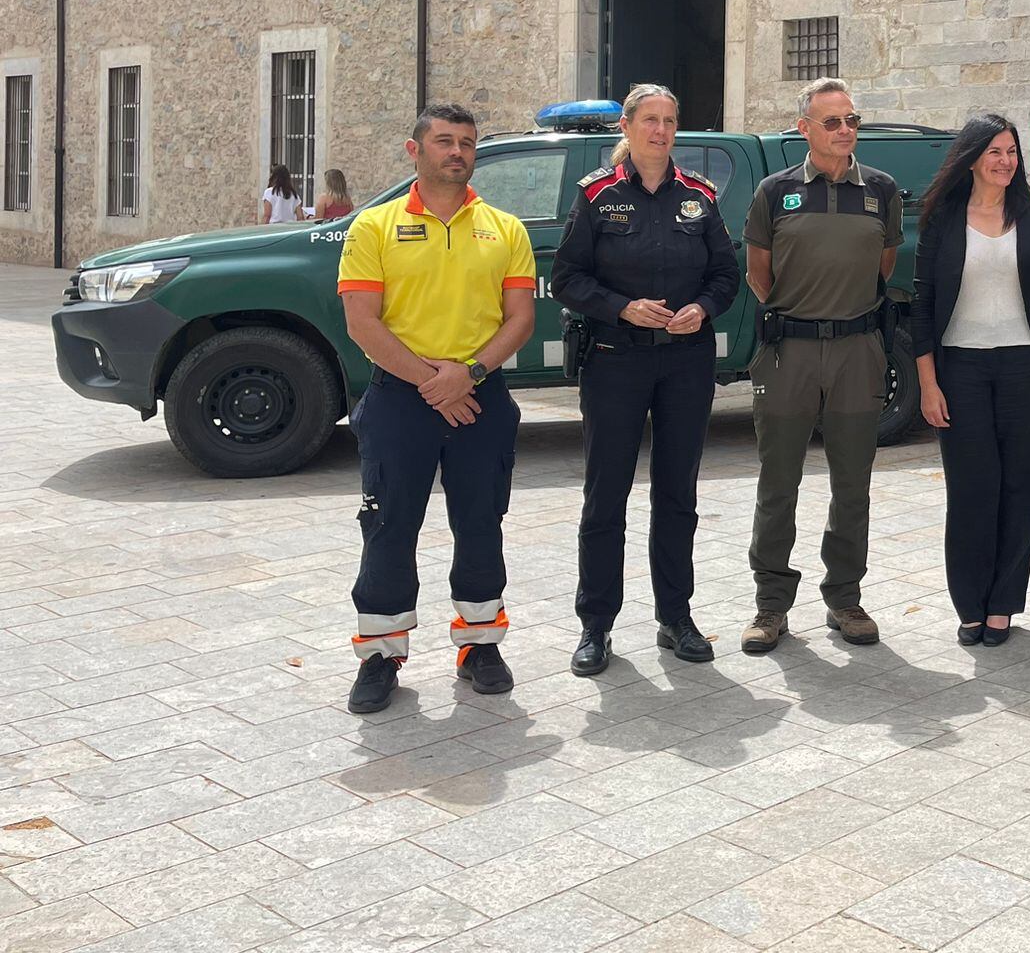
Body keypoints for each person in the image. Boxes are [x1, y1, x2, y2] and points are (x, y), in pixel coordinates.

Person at [337, 104, 537, 714]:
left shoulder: (504, 229)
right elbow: (361, 322)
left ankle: (479, 646)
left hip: (481, 396)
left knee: (481, 522)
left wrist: (468, 375)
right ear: (414, 150)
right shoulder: (373, 226)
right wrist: (432, 381)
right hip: (402, 399)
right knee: (390, 526)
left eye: (467, 143)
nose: (457, 152)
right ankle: (380, 654)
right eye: (444, 141)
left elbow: (521, 319)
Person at [552, 84, 740, 676]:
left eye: (669, 121)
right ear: (627, 129)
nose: (660, 131)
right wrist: (620, 307)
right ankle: (596, 625)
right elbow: (567, 279)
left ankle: (676, 617)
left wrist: (703, 309)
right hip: (615, 359)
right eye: (649, 121)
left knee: (677, 493)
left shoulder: (699, 197)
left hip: (685, 363)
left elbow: (725, 276)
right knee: (606, 495)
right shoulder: (597, 196)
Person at [741, 78, 903, 653]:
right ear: (804, 129)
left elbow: (882, 267)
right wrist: (800, 316)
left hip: (859, 351)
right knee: (778, 480)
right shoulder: (774, 190)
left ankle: (844, 598)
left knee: (852, 483)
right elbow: (757, 272)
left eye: (851, 120)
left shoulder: (881, 190)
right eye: (830, 122)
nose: (843, 131)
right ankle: (771, 605)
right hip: (790, 352)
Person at [911, 114, 1030, 646]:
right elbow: (923, 304)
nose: (1006, 162)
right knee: (973, 489)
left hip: (1027, 368)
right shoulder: (943, 217)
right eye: (995, 152)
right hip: (961, 369)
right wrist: (928, 385)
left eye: (1013, 151)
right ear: (972, 157)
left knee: (1021, 487)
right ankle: (971, 605)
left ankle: (1003, 603)